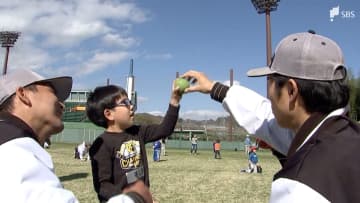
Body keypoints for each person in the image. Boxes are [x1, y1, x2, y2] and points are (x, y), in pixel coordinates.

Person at [183, 31, 360, 202]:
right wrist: (215, 88)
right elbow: (264, 116)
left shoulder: (300, 187)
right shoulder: (347, 135)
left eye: (270, 81)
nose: (269, 93)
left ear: (291, 90)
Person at [0, 69, 152, 203]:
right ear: (22, 94)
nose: (62, 105)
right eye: (53, 93)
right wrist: (135, 198)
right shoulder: (13, 153)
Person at [87, 81, 183, 202]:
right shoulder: (101, 144)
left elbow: (164, 129)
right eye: (125, 103)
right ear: (109, 114)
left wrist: (174, 101)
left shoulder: (138, 132)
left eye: (130, 102)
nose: (131, 106)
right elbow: (103, 185)